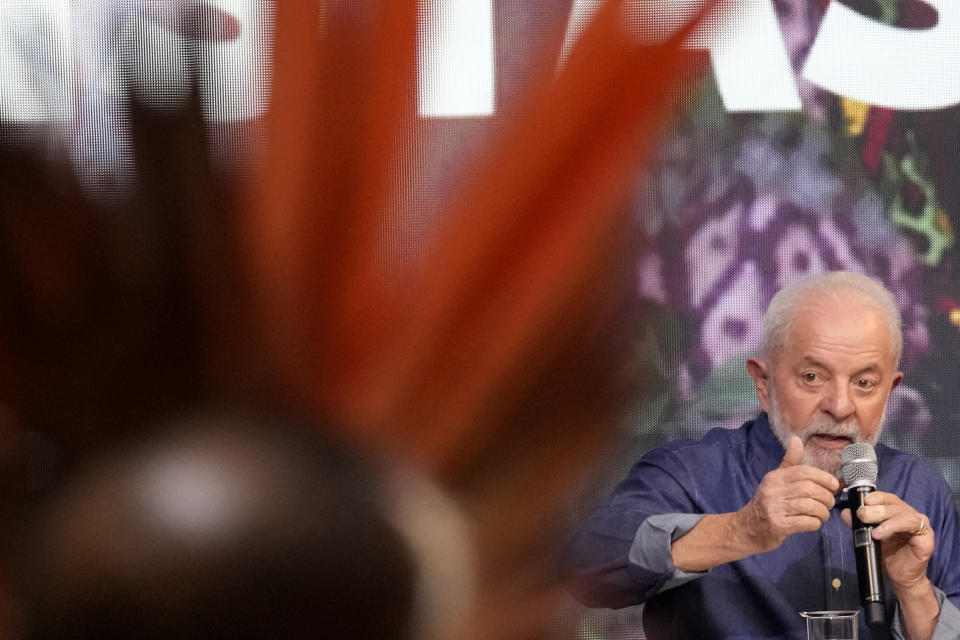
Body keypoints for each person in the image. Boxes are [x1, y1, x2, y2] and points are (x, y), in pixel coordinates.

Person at [562, 271, 960, 639]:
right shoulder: (692, 473)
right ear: (763, 383)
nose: (841, 406)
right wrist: (740, 530)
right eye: (812, 377)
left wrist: (914, 590)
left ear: (891, 390)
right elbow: (587, 570)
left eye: (864, 382)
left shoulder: (920, 489)